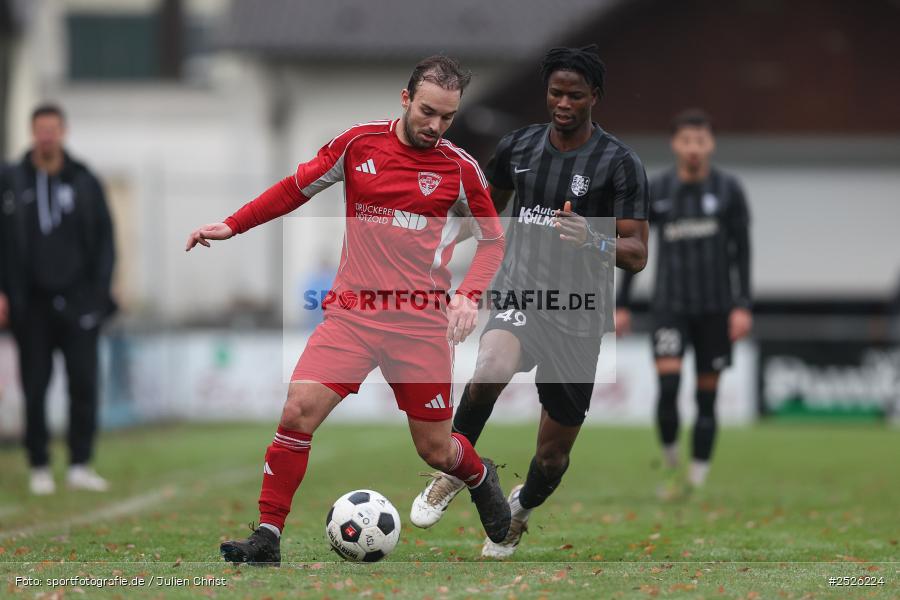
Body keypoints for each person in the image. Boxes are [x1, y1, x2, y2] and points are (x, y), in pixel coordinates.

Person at [185, 55, 510, 566]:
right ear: (405, 99)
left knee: (436, 450)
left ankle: (476, 474)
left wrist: (468, 293)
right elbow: (294, 188)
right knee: (297, 411)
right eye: (427, 112)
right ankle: (267, 536)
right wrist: (233, 225)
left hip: (420, 325)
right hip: (353, 316)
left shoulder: (459, 169)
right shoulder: (358, 145)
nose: (436, 126)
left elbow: (494, 241)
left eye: (447, 117)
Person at [410, 46, 650, 558]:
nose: (562, 103)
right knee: (489, 367)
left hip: (579, 316)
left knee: (552, 455)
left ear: (594, 98)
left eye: (574, 95)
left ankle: (520, 508)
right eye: (555, 93)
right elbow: (483, 213)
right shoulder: (517, 148)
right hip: (521, 294)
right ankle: (453, 471)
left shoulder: (620, 164)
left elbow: (637, 253)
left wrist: (593, 238)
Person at [616, 109, 752, 497]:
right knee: (669, 386)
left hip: (715, 308)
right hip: (670, 307)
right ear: (675, 144)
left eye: (701, 141)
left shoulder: (729, 190)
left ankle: (698, 476)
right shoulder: (657, 189)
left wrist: (742, 305)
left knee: (706, 396)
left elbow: (742, 252)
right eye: (686, 141)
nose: (694, 148)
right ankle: (673, 461)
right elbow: (635, 251)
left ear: (710, 144)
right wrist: (622, 303)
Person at [0, 103, 116, 495]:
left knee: (83, 383)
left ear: (62, 131)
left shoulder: (83, 181)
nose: (46, 135)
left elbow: (105, 240)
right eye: (40, 129)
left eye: (52, 128)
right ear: (32, 132)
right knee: (34, 386)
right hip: (30, 303)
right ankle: (39, 465)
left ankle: (80, 464)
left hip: (79, 301)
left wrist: (100, 294)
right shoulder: (12, 180)